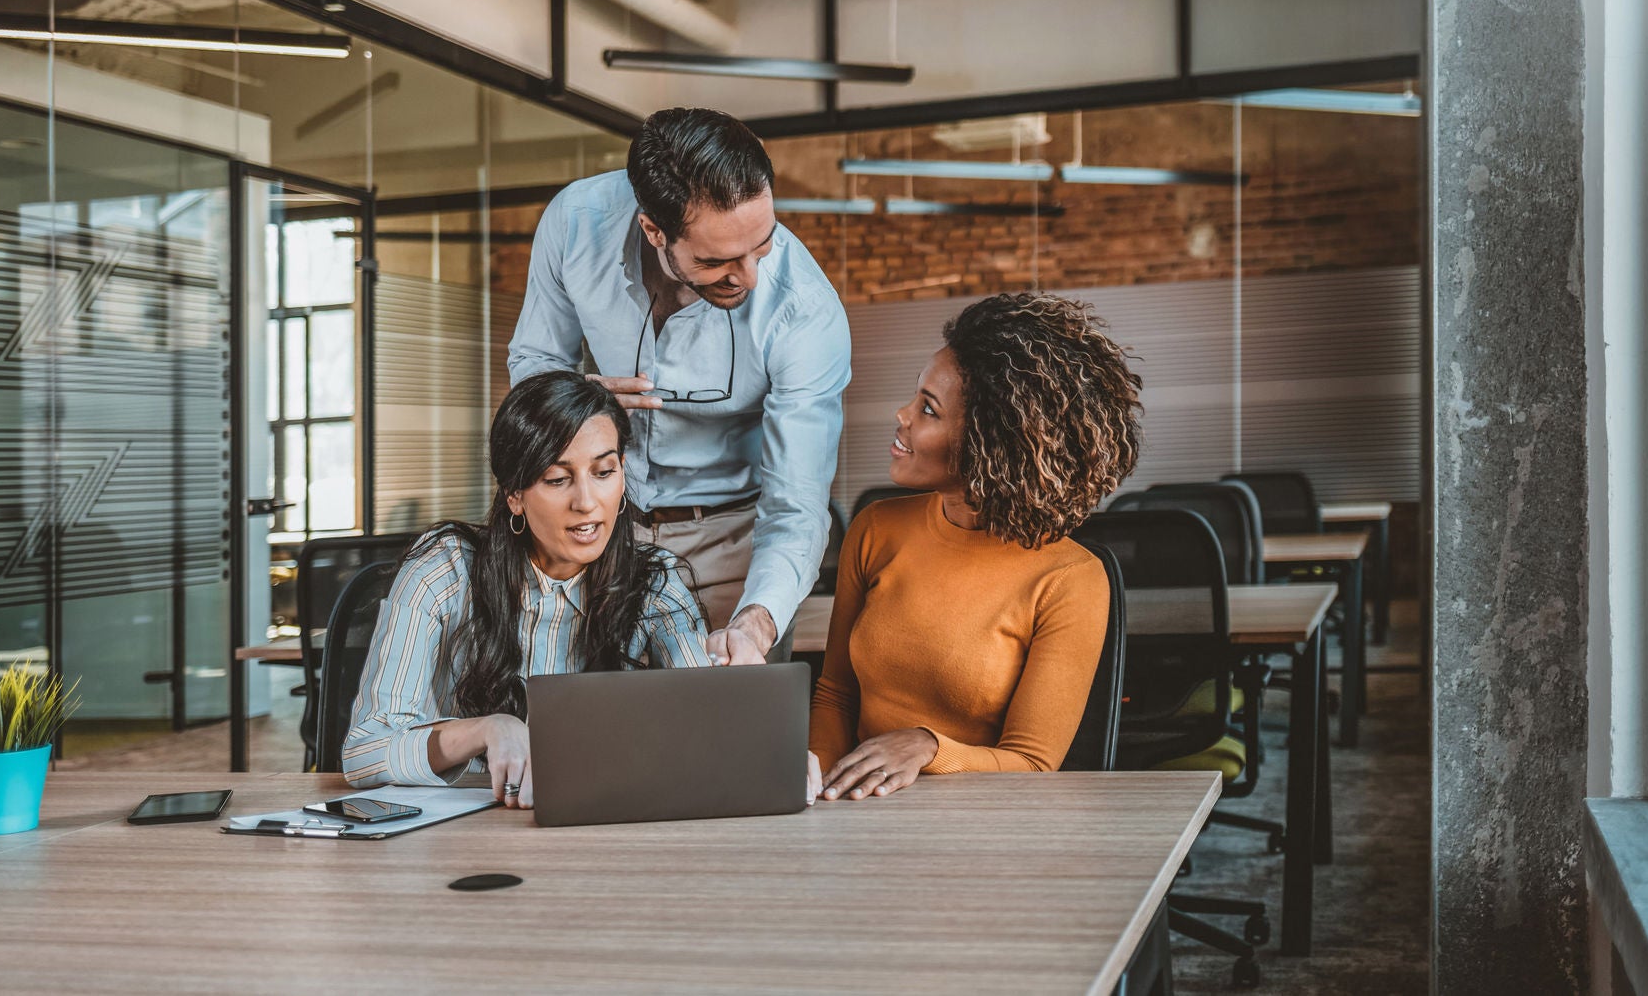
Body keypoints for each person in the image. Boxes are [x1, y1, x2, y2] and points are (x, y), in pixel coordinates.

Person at [342, 372, 815, 806]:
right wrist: (486, 730)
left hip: (600, 831)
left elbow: (708, 726)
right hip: (464, 837)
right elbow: (365, 751)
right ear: (514, 495)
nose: (587, 503)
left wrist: (775, 754)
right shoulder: (444, 570)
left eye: (604, 472)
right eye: (557, 479)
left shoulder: (656, 581)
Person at [507, 108, 851, 667]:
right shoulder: (576, 223)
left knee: (725, 745)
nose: (748, 277)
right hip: (599, 531)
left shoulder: (803, 311)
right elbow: (537, 359)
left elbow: (797, 506)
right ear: (653, 229)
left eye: (761, 246)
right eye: (717, 260)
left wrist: (756, 622)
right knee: (587, 733)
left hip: (733, 544)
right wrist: (572, 404)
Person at [810, 293, 1143, 800]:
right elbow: (835, 696)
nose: (902, 415)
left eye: (928, 409)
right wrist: (817, 789)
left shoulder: (1069, 579)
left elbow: (1033, 763)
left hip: (985, 826)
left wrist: (928, 747)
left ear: (990, 445)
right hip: (860, 811)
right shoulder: (875, 529)